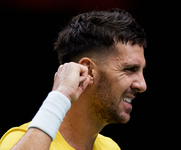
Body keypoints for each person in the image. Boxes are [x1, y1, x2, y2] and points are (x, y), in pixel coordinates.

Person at [0, 8, 147, 150]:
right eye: (130, 69)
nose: (142, 85)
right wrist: (61, 95)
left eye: (141, 71)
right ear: (88, 70)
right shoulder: (19, 140)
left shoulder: (111, 147)